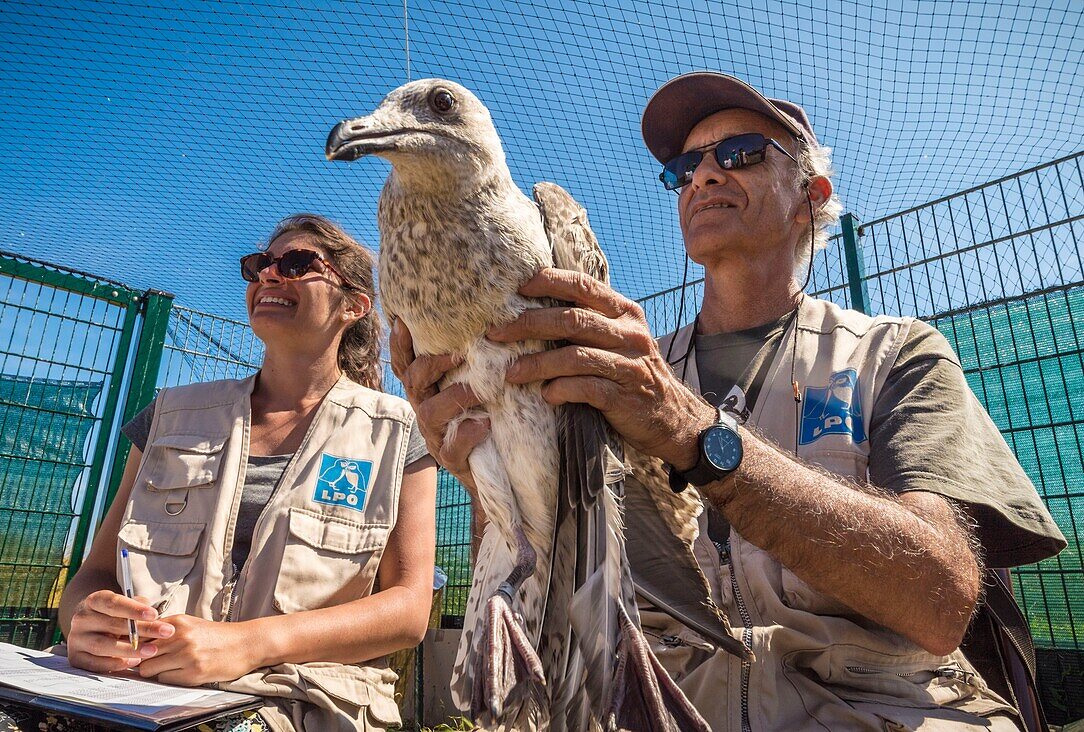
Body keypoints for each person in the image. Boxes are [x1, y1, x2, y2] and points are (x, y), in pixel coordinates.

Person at [390, 72, 1066, 731]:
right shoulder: (611, 366)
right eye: (686, 168)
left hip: (876, 706)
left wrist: (693, 433)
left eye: (739, 154)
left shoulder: (894, 355)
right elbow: (554, 559)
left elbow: (941, 598)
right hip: (670, 704)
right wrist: (480, 463)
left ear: (812, 193)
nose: (705, 175)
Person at [47, 214, 436, 732]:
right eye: (259, 266)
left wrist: (247, 645)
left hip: (297, 704)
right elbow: (93, 573)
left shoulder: (399, 431)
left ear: (353, 305)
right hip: (131, 690)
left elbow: (408, 610)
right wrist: (83, 619)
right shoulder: (168, 415)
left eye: (297, 264)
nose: (268, 276)